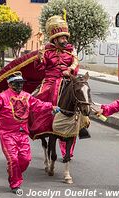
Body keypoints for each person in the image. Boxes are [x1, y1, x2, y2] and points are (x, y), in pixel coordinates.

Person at [0, 71, 57, 194]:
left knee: (26, 159)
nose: (19, 86)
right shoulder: (2, 97)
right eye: (16, 83)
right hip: (7, 134)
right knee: (13, 159)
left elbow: (38, 105)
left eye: (21, 83)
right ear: (10, 84)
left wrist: (51, 107)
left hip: (22, 133)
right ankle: (15, 183)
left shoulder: (27, 96)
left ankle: (13, 172)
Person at [34, 15, 89, 158]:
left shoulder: (71, 52)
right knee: (39, 98)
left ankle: (82, 124)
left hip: (67, 79)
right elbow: (40, 69)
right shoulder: (46, 52)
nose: (65, 40)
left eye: (66, 37)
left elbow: (75, 67)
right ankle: (37, 124)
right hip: (50, 81)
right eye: (62, 38)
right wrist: (39, 59)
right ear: (55, 39)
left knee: (80, 95)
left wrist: (70, 70)